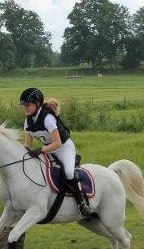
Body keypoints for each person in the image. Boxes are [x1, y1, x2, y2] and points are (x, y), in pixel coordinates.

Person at [19, 87, 96, 220]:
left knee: (69, 173)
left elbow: (57, 143)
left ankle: (82, 204)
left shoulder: (47, 118)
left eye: (28, 105)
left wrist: (41, 150)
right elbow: (28, 145)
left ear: (37, 103)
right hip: (48, 149)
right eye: (24, 105)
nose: (25, 108)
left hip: (63, 148)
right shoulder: (28, 121)